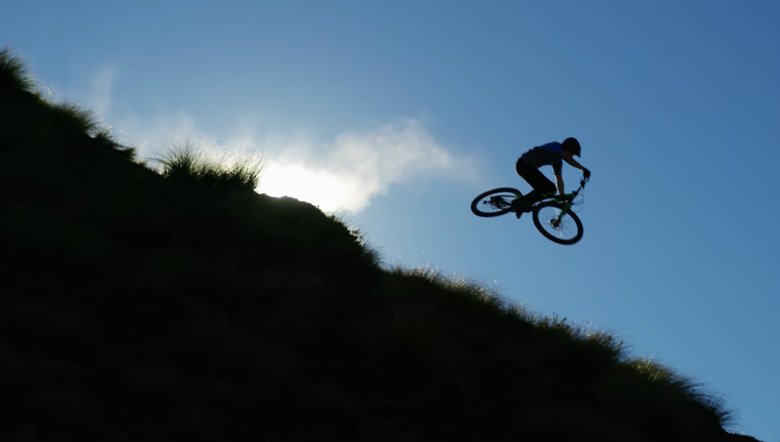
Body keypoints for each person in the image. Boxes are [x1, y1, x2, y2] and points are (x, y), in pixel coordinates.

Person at [513, 137, 591, 215]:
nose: (572, 157)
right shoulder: (556, 151)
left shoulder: (557, 155)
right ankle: (521, 202)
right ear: (568, 149)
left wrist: (583, 169)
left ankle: (523, 205)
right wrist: (562, 196)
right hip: (524, 165)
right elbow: (566, 165)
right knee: (549, 188)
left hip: (525, 166)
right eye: (572, 154)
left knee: (548, 189)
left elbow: (562, 173)